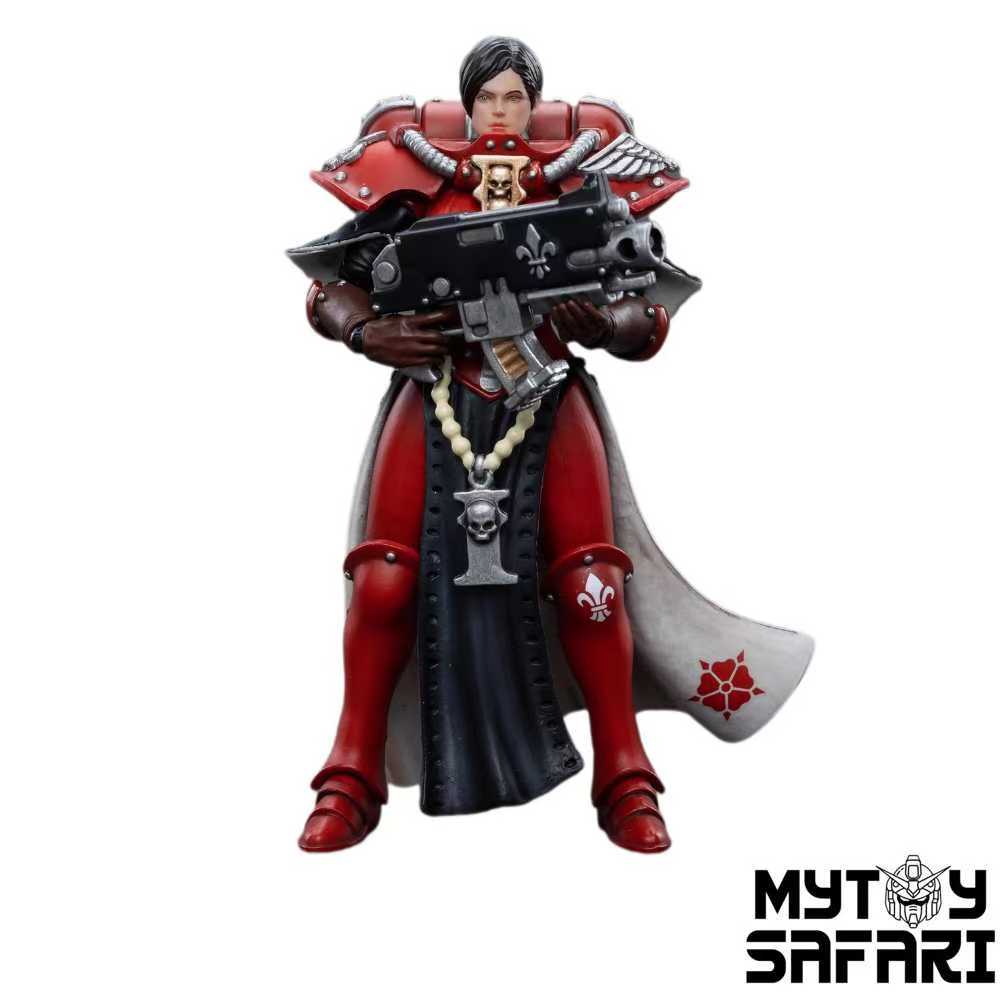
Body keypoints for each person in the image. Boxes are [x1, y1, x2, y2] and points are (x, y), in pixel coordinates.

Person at [288, 36, 813, 854]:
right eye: (487, 98)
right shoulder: (412, 180)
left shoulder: (583, 179)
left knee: (592, 584)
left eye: (515, 98)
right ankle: (349, 775)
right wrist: (367, 331)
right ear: (467, 105)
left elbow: (648, 306)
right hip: (436, 389)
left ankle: (626, 776)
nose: (501, 112)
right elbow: (330, 282)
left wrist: (602, 324)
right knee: (384, 583)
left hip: (546, 391)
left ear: (535, 105)